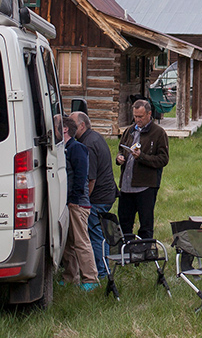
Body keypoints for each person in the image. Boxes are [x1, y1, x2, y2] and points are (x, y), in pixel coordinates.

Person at [116, 100, 170, 240]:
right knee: (124, 221)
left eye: (140, 116)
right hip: (126, 186)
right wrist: (120, 158)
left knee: (146, 223)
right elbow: (121, 149)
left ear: (149, 114)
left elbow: (163, 160)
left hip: (145, 186)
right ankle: (126, 249)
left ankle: (145, 250)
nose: (137, 120)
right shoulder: (129, 131)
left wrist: (142, 157)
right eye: (135, 116)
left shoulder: (158, 133)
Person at [73, 112, 115, 280]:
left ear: (82, 126)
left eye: (73, 124)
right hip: (107, 194)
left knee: (94, 234)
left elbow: (90, 179)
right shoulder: (94, 137)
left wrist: (84, 203)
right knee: (99, 233)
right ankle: (104, 268)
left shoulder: (88, 145)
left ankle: (102, 272)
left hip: (98, 197)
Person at [60, 115, 99, 290]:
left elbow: (81, 175)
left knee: (81, 242)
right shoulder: (64, 148)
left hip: (77, 204)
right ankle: (70, 276)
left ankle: (91, 279)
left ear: (65, 129)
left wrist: (74, 200)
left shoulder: (77, 148)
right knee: (69, 243)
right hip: (68, 203)